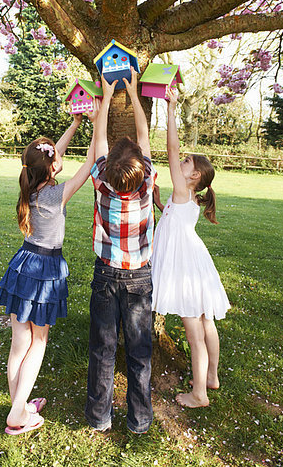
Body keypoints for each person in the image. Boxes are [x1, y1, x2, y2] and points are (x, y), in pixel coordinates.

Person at [0, 108, 99, 435]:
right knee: (37, 342)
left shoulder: (32, 185)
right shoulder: (56, 195)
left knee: (18, 343)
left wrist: (76, 124)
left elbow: (54, 156)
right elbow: (91, 162)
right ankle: (17, 415)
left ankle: (20, 406)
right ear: (52, 166)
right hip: (45, 270)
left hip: (23, 264)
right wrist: (97, 125)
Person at [85, 68, 156, 434]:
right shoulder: (146, 186)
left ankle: (100, 417)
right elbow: (143, 136)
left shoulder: (101, 184)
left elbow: (99, 138)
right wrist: (132, 89)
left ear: (110, 166)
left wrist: (108, 97)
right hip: (140, 277)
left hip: (106, 274)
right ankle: (140, 419)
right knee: (139, 350)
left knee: (103, 346)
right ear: (141, 168)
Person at [151, 87, 230, 409]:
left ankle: (199, 394)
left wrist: (170, 108)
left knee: (194, 330)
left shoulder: (184, 190)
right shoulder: (186, 197)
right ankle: (211, 375)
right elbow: (172, 219)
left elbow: (171, 149)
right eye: (182, 160)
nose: (178, 161)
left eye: (185, 163)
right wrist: (158, 201)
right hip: (195, 262)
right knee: (205, 321)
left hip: (183, 267)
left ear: (194, 175)